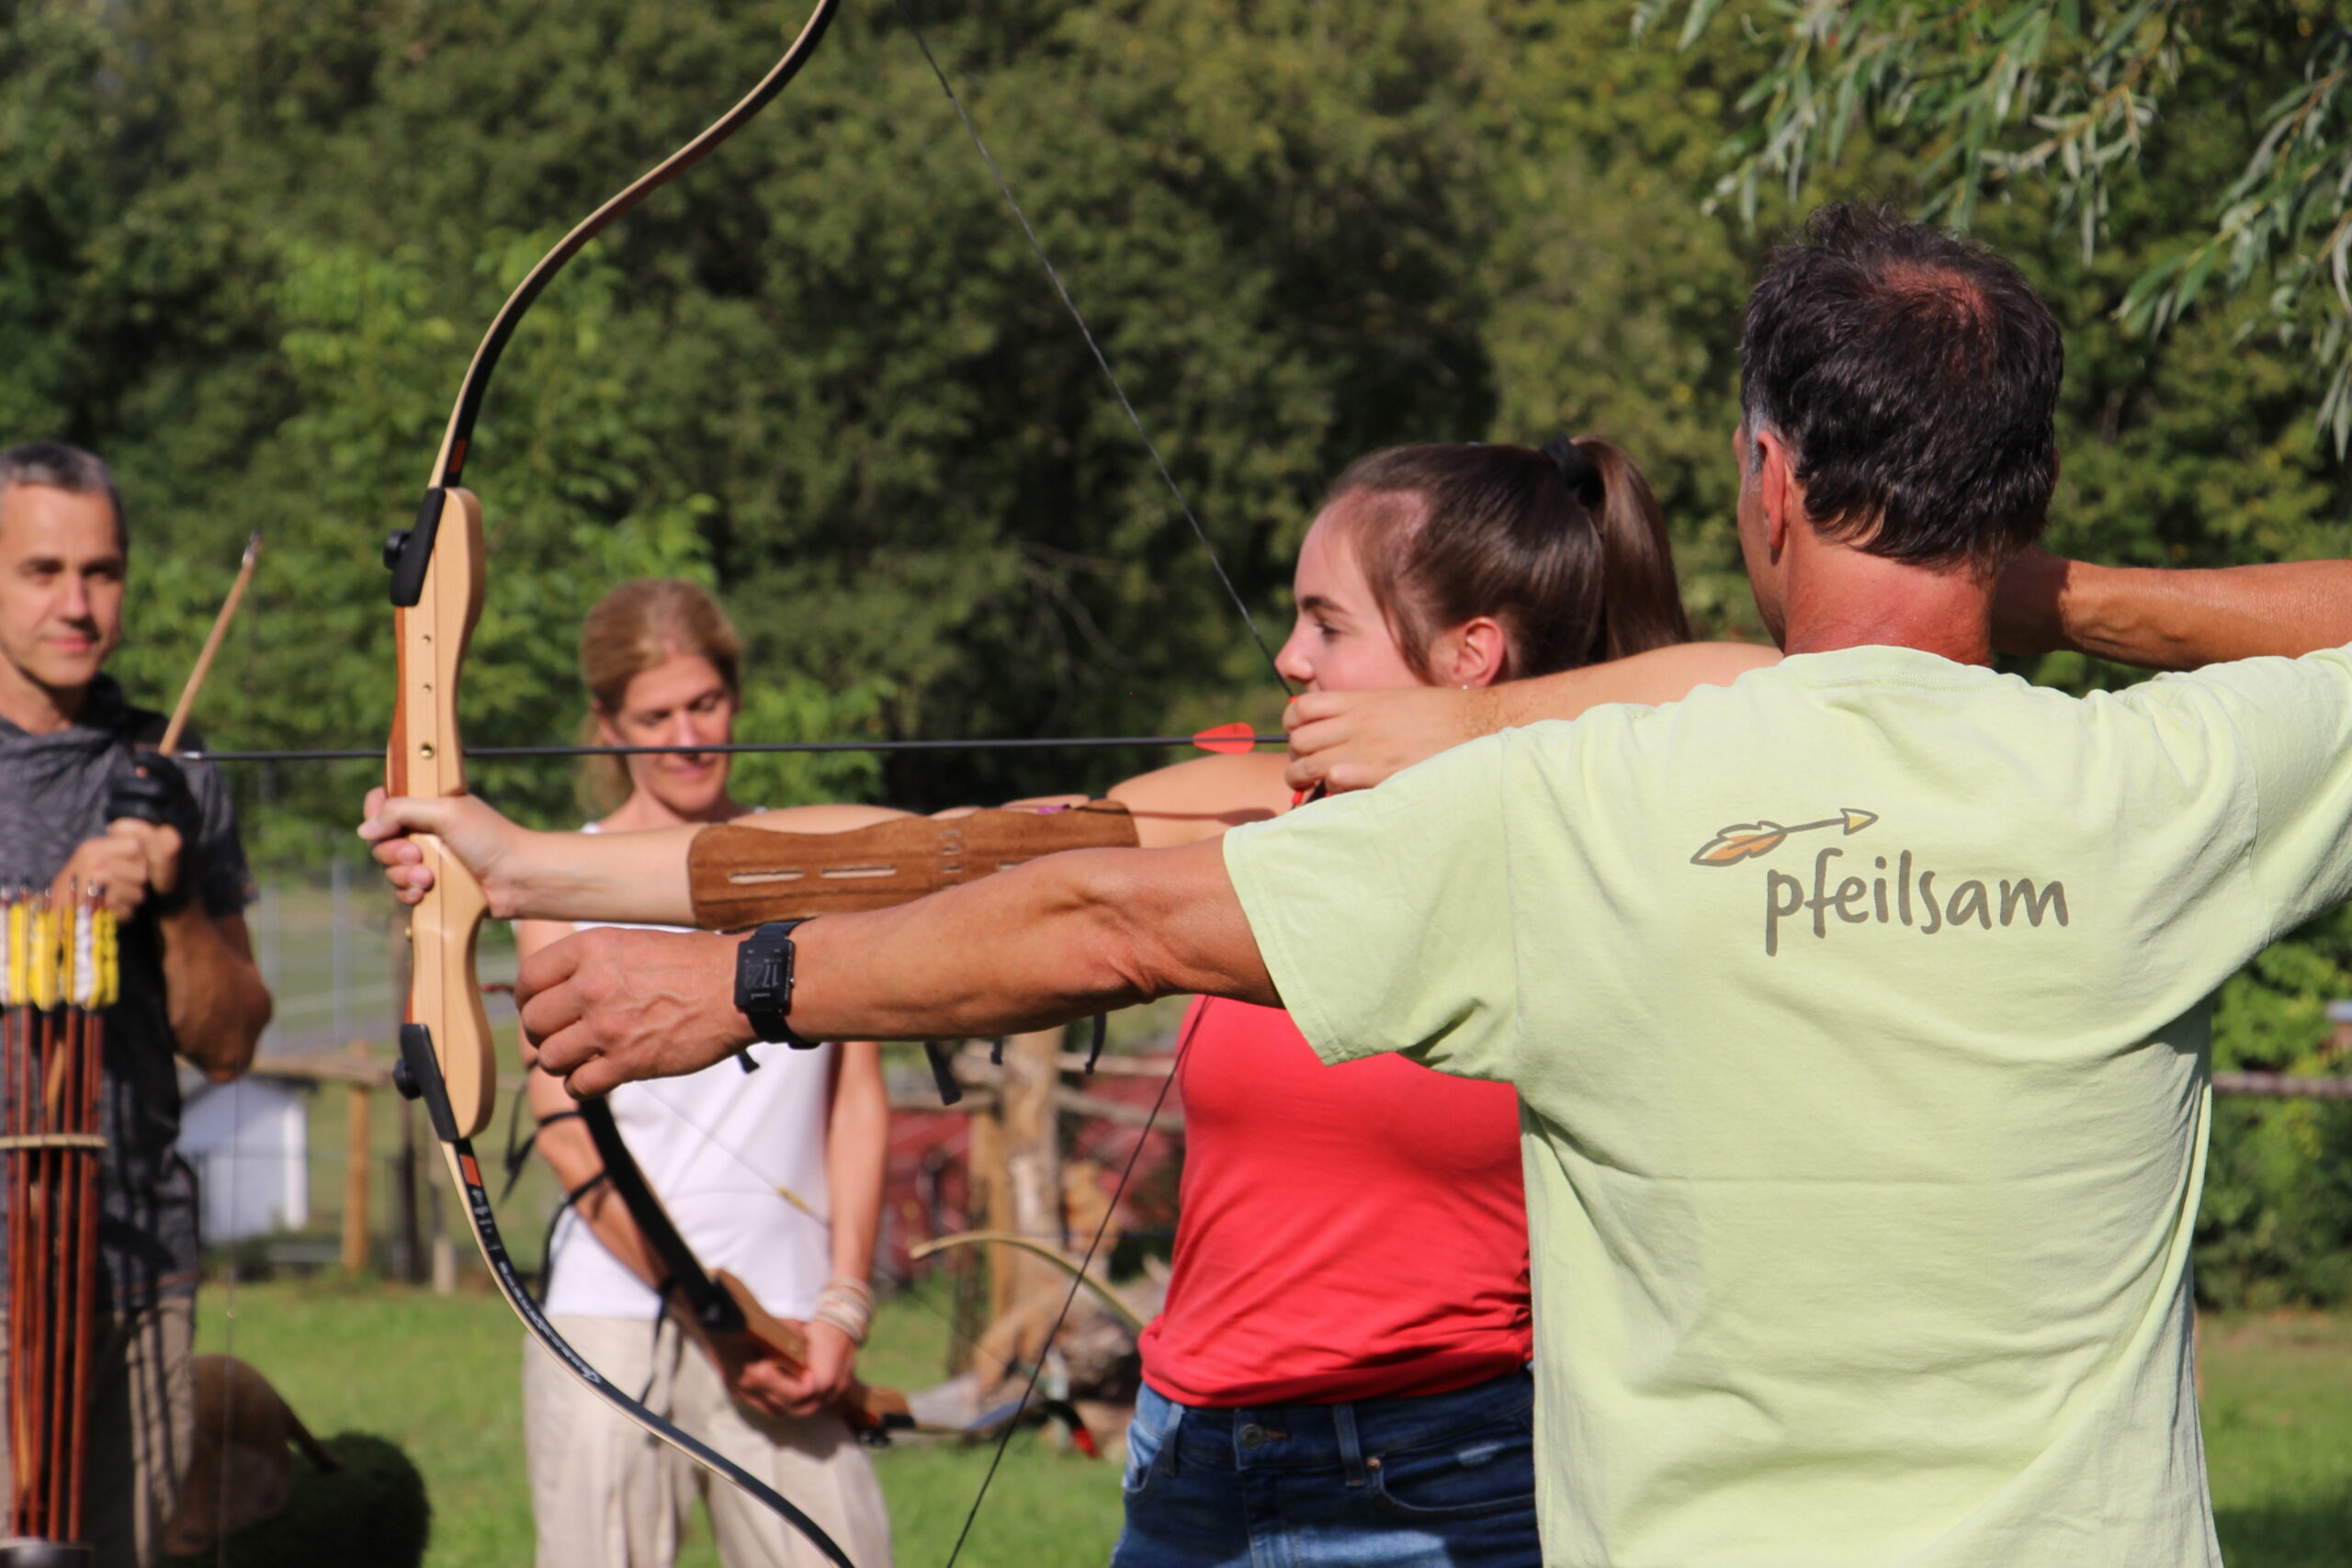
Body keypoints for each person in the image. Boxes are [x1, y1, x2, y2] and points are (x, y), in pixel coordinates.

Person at [503, 205, 2352, 1566]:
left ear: (1766, 480)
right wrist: (2043, 594)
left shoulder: (1587, 802)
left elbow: (1111, 918)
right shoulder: (2168, 788)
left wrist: (733, 988)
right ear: (2024, 489)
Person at [514, 581, 892, 1568]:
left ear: (735, 696)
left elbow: (855, 1101)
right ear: (607, 724)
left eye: (705, 703)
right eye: (655, 717)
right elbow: (567, 1136)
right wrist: (709, 1313)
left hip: (791, 1322)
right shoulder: (552, 879)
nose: (687, 737)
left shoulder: (808, 859)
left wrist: (843, 1302)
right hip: (617, 1314)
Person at [0, 441, 272, 1567]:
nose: (77, 604)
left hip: (136, 1270)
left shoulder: (172, 763)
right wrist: (50, 921)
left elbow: (232, 1042)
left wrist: (173, 906)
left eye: (101, 572)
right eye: (42, 571)